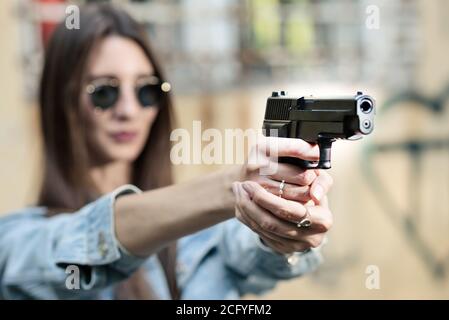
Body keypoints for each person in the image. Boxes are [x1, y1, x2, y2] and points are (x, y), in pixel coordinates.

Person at [0, 4, 333, 299]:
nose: (129, 110)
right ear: (63, 102)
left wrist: (283, 227)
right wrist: (238, 186)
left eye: (146, 90)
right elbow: (90, 237)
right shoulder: (19, 241)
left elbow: (260, 259)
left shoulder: (199, 232)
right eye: (104, 92)